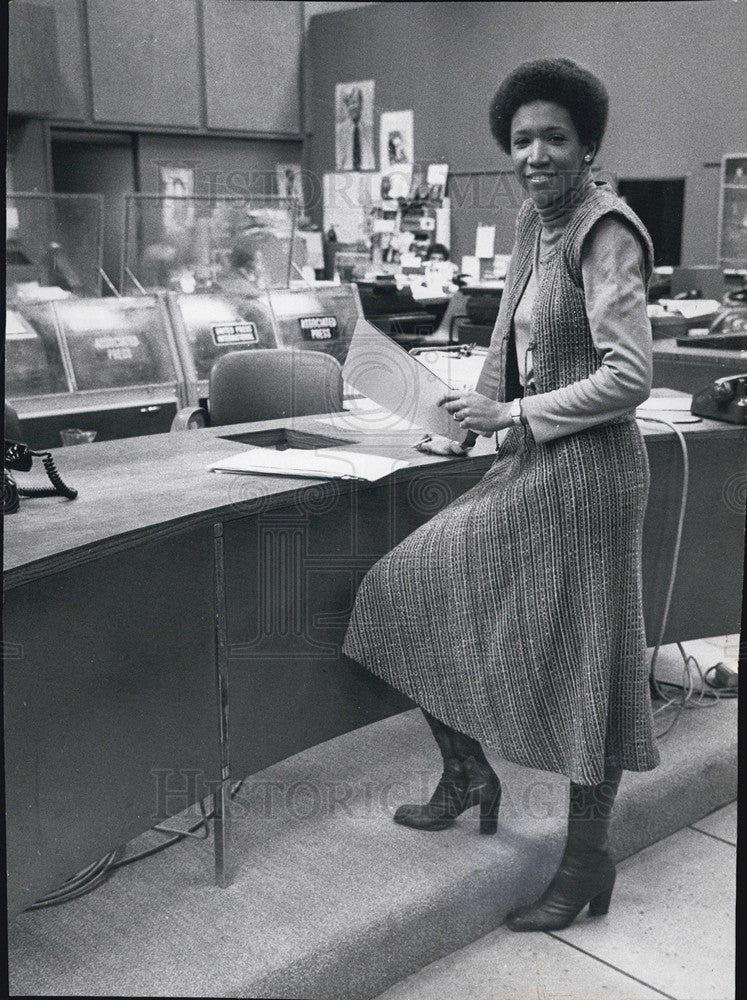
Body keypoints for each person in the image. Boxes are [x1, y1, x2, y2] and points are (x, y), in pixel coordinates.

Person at [342, 57, 659, 933]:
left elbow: (629, 377)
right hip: (531, 463)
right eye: (520, 140)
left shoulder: (606, 233)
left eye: (553, 137)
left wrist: (511, 411)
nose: (534, 154)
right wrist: (456, 420)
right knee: (399, 592)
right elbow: (503, 344)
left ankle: (585, 858)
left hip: (591, 478)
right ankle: (468, 770)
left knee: (590, 665)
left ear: (587, 145)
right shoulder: (535, 219)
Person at [336, 86, 375, 171]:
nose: (351, 107)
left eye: (354, 102)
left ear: (361, 104)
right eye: (348, 104)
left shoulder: (370, 128)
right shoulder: (340, 130)